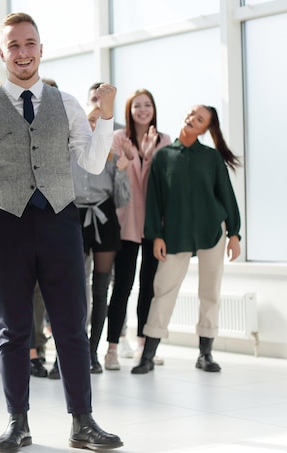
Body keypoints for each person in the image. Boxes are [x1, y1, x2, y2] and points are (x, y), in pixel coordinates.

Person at [0, 12, 123, 452]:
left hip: (61, 218)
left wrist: (106, 117)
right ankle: (17, 422)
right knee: (13, 329)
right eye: (14, 46)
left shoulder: (67, 104)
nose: (22, 53)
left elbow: (92, 162)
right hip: (6, 222)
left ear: (41, 50)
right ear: (2, 53)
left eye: (30, 44)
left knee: (71, 325)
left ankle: (83, 421)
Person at [131, 105, 241, 375]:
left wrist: (234, 234)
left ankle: (205, 354)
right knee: (163, 290)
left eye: (200, 119)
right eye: (193, 114)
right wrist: (155, 234)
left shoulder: (211, 158)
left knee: (210, 292)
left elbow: (226, 195)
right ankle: (148, 355)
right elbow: (154, 201)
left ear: (205, 129)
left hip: (212, 230)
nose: (193, 119)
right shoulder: (163, 157)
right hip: (175, 234)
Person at [104, 89, 172, 371]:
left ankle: (145, 346)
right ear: (129, 111)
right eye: (137, 106)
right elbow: (115, 178)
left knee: (149, 286)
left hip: (155, 223)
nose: (143, 110)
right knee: (122, 286)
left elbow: (163, 183)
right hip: (127, 221)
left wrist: (146, 156)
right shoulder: (119, 139)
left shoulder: (165, 141)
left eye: (147, 105)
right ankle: (111, 349)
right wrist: (135, 158)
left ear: (154, 109)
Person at [73, 105, 130, 375]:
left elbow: (123, 199)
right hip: (75, 218)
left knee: (100, 290)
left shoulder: (113, 156)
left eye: (99, 121)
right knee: (76, 289)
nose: (94, 125)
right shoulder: (68, 153)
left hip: (105, 218)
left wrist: (122, 170)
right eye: (90, 120)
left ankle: (93, 353)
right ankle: (76, 351)